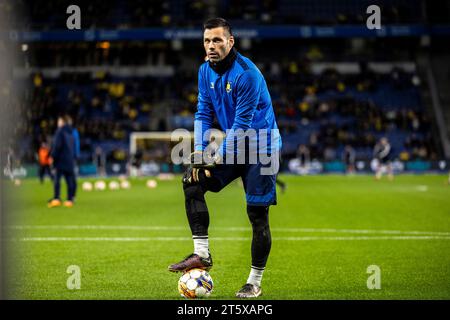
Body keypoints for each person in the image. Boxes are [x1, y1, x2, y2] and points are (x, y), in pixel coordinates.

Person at [168, 18, 282, 298]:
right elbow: (203, 112)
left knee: (257, 214)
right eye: (207, 40)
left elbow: (242, 124)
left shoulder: (247, 74)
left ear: (231, 42)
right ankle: (201, 254)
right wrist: (199, 150)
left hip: (262, 147)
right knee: (192, 179)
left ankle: (254, 282)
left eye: (217, 40)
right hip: (235, 142)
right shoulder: (204, 71)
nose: (211, 46)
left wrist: (217, 157)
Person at [48, 115, 77, 208]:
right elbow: (73, 146)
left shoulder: (60, 132)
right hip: (69, 159)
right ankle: (70, 200)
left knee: (57, 179)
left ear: (62, 122)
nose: (58, 123)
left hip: (60, 160)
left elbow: (57, 145)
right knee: (69, 180)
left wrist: (52, 156)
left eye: (59, 121)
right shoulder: (71, 132)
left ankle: (56, 198)